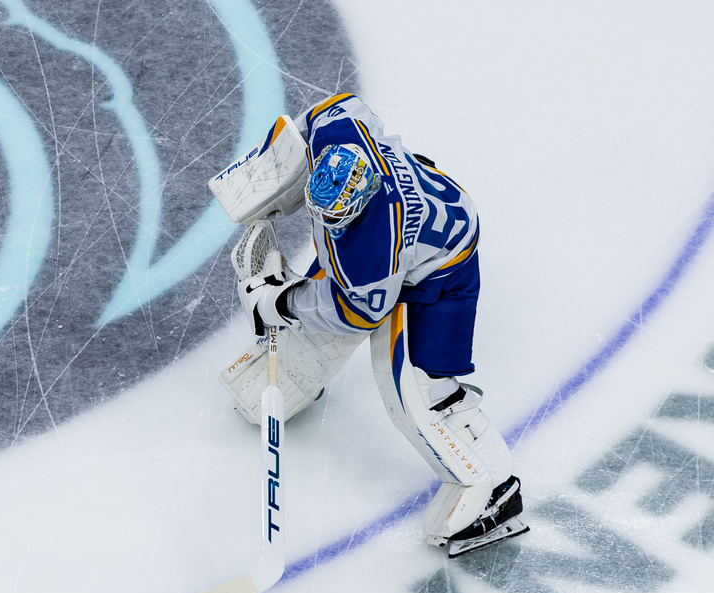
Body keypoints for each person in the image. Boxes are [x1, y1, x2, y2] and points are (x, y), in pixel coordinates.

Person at [223, 93, 529, 557]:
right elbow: (328, 109)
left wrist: (277, 302)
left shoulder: (372, 245)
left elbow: (355, 312)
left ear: (363, 198)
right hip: (420, 218)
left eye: (338, 216)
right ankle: (291, 378)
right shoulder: (339, 132)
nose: (326, 220)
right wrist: (274, 170)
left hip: (440, 271)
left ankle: (492, 490)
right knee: (329, 281)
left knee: (415, 389)